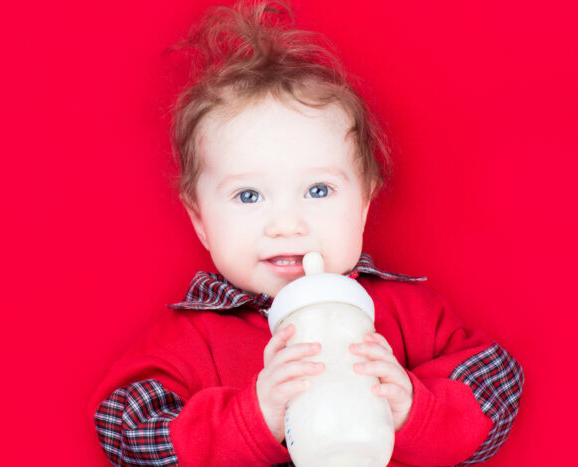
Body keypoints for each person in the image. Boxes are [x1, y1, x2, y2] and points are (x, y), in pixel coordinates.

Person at [88, 1, 524, 465]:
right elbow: (125, 432)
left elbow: (496, 381)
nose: (287, 225)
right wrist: (253, 417)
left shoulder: (405, 312)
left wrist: (416, 408)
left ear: (363, 204)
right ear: (200, 221)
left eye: (318, 190)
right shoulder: (192, 338)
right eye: (249, 196)